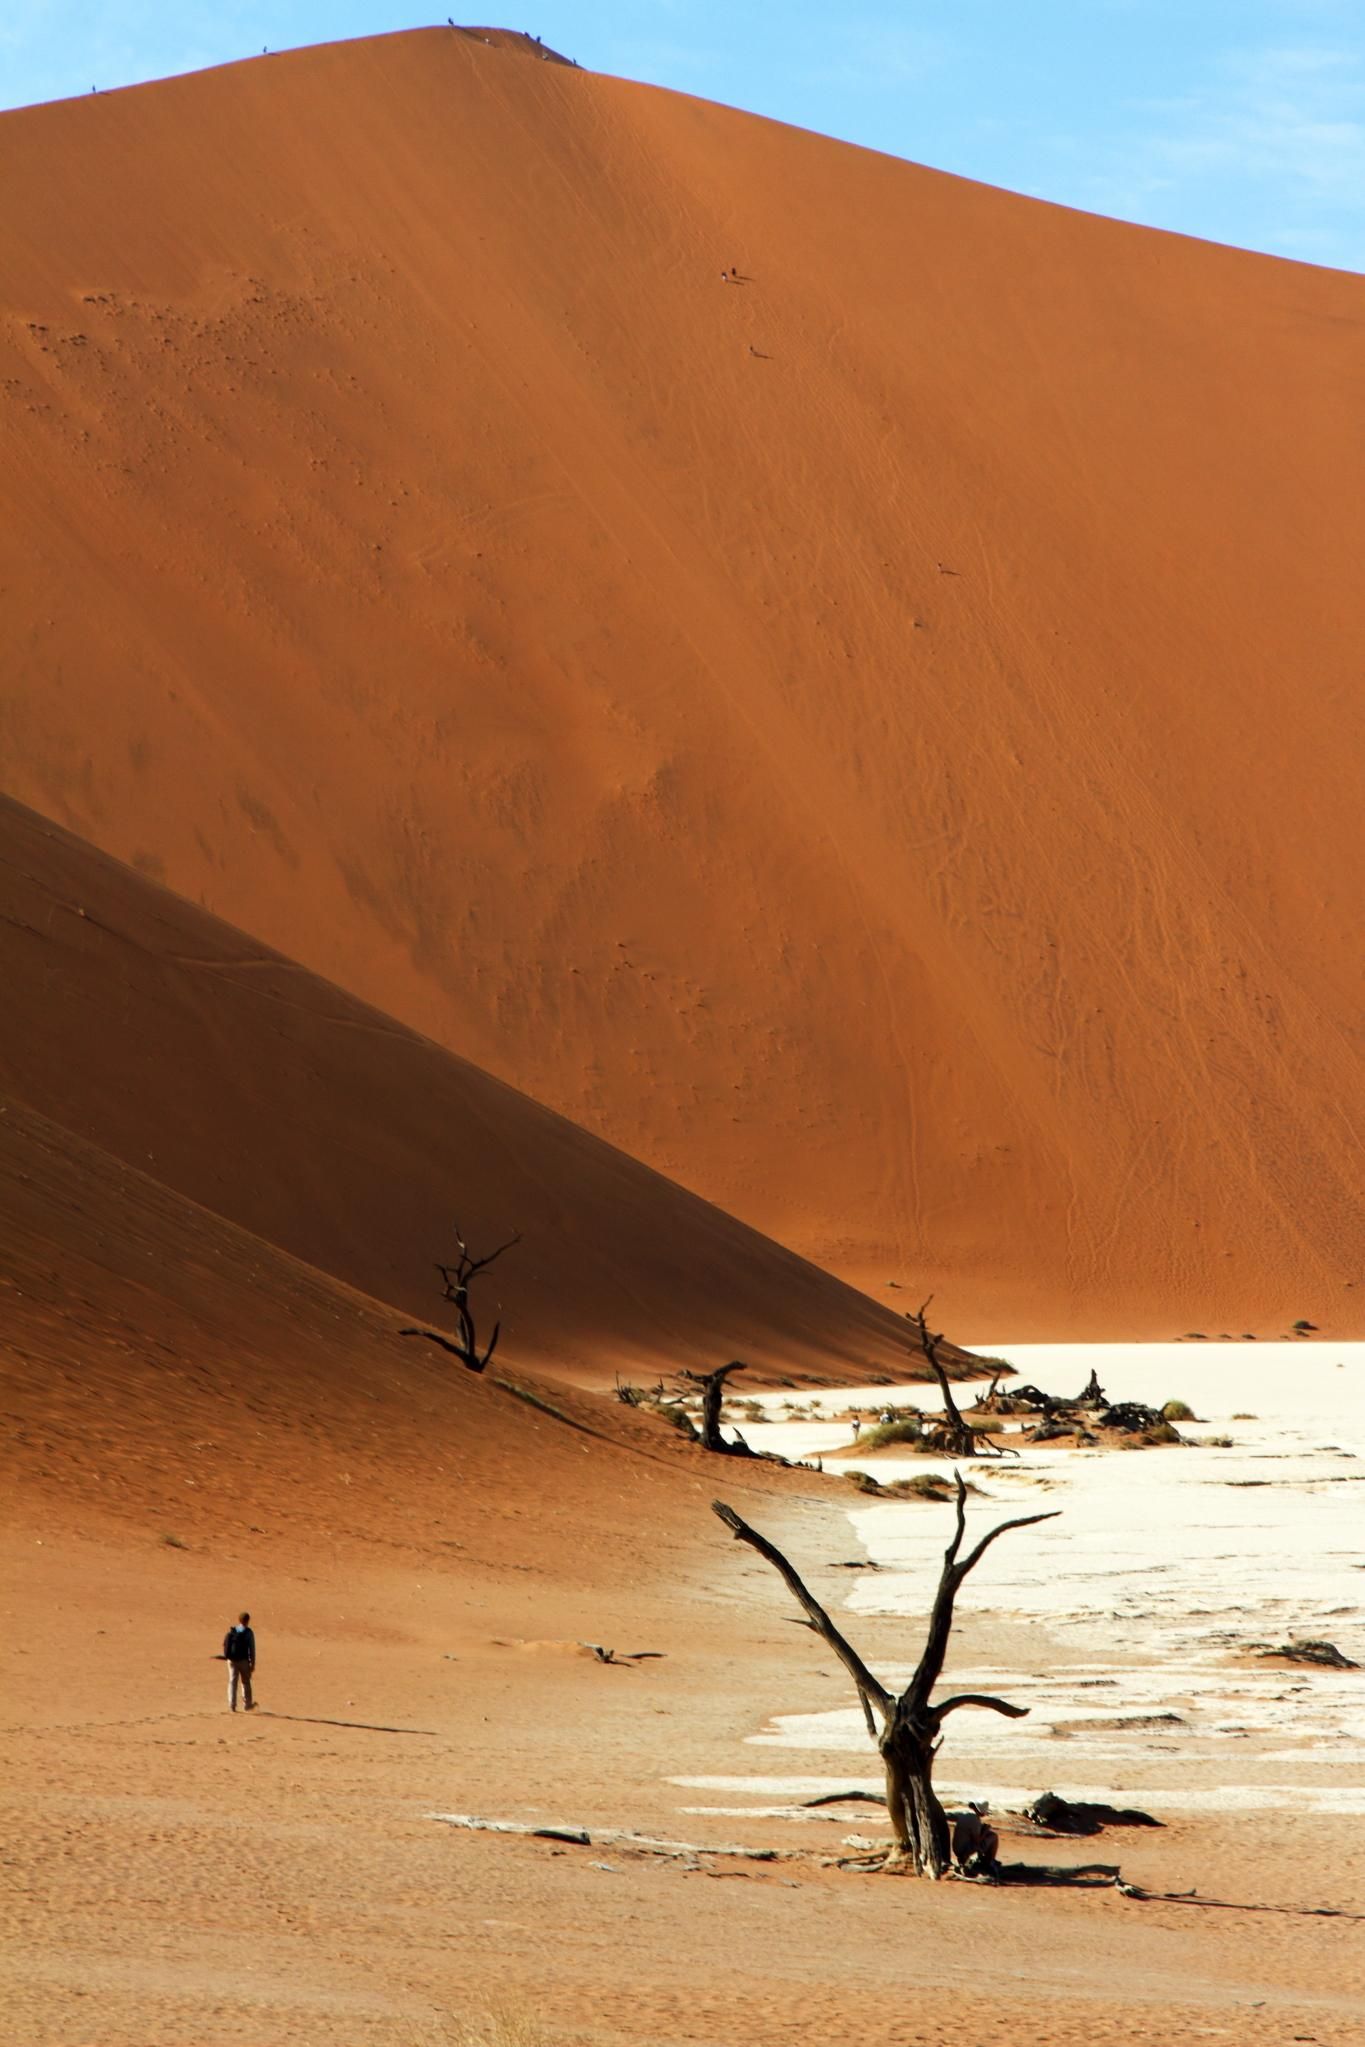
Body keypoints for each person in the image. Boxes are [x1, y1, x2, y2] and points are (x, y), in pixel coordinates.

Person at [222, 1611, 257, 1712]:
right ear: (247, 1621)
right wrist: (252, 1663)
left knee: (232, 1681)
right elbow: (252, 1649)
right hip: (243, 1661)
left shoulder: (233, 1631)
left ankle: (232, 1705)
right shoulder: (249, 1632)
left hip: (231, 1660)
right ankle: (247, 1705)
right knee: (245, 1682)